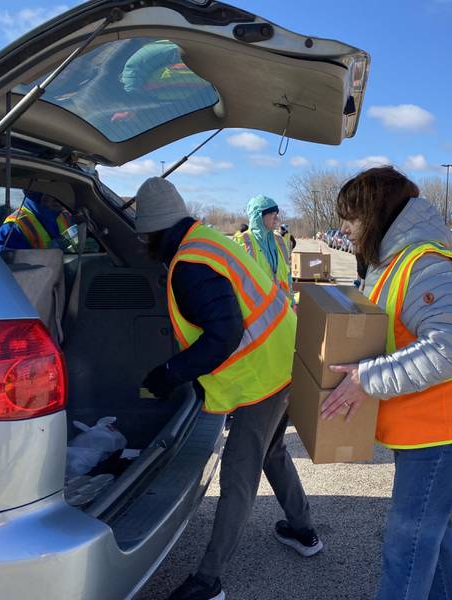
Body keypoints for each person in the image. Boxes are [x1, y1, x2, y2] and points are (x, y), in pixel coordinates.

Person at [133, 178, 321, 600]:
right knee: (270, 450)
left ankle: (209, 580)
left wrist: (169, 373)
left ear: (153, 231)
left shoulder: (189, 266)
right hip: (286, 355)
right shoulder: (206, 241)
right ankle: (302, 528)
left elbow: (224, 335)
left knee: (240, 471)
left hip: (264, 378)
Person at [319, 166, 452, 600]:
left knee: (408, 543)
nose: (345, 227)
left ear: (378, 214)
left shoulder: (425, 265)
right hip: (427, 424)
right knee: (432, 527)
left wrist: (367, 379)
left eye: (351, 216)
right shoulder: (394, 260)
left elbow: (449, 346)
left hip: (442, 428)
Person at [234, 195, 293, 300]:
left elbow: (287, 276)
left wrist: (292, 303)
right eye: (271, 214)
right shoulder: (242, 242)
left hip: (283, 310)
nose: (276, 218)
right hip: (258, 312)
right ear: (258, 216)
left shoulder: (280, 241)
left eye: (276, 214)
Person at [0, 190, 75, 252]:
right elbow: (5, 266)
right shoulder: (14, 226)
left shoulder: (66, 216)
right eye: (55, 195)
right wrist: (43, 256)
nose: (61, 200)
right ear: (39, 195)